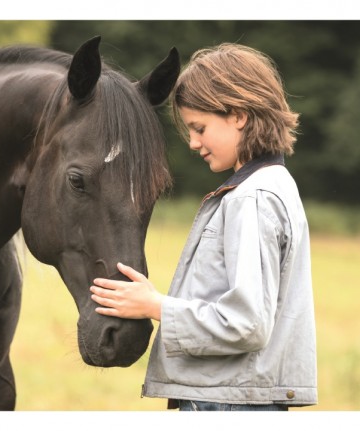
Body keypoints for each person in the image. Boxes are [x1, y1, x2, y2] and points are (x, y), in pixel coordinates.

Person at [90, 43, 317, 411]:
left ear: (239, 114)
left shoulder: (252, 197)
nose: (194, 143)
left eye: (199, 128)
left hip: (225, 404)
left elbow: (246, 323)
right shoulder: (272, 185)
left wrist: (156, 306)